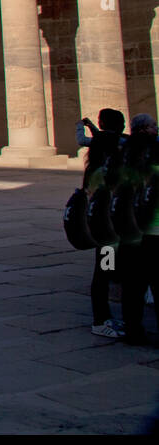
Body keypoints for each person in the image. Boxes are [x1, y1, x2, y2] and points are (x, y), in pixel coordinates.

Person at [80, 108, 128, 338]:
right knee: (104, 272)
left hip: (104, 228)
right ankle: (100, 320)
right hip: (107, 232)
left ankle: (107, 317)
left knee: (108, 272)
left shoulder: (95, 165)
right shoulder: (105, 174)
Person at [118, 114, 158, 345]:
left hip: (128, 233)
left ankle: (132, 330)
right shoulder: (154, 160)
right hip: (153, 232)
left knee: (132, 286)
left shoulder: (121, 157)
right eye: (153, 126)